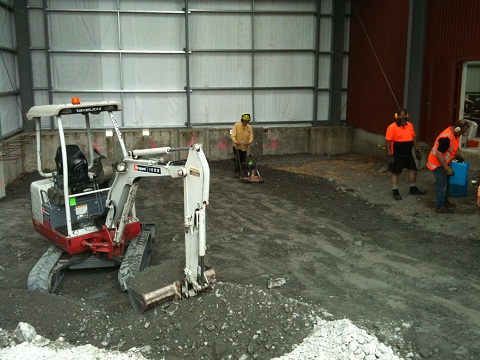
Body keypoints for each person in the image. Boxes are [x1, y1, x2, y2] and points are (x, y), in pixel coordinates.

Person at [426, 119, 469, 213]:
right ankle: (440, 206)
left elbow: (454, 147)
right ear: (458, 129)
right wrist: (447, 168)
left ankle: (444, 201)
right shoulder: (446, 138)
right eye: (462, 132)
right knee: (442, 184)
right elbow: (438, 154)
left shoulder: (454, 134)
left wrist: (458, 156)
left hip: (445, 162)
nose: (462, 134)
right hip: (437, 164)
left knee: (447, 183)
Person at [385, 108, 426, 200]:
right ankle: (395, 191)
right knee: (396, 172)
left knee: (413, 170)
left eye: (404, 115)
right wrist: (389, 154)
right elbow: (388, 142)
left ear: (407, 116)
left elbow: (413, 138)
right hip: (397, 154)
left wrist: (417, 150)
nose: (403, 117)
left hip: (408, 153)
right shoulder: (391, 127)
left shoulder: (410, 125)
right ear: (396, 116)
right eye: (401, 115)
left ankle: (413, 188)